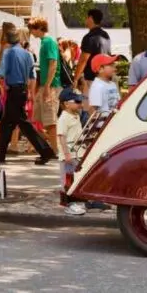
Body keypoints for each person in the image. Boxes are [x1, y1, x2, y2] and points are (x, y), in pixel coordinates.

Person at [0, 24, 56, 164]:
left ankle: (45, 151)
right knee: (7, 123)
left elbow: (1, 71)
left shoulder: (9, 53)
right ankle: (0, 153)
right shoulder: (27, 54)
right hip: (22, 91)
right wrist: (30, 92)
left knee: (24, 124)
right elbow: (32, 76)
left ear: (7, 41)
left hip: (14, 91)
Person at [29, 16, 62, 153]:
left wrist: (47, 86)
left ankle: (56, 150)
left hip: (51, 86)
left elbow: (53, 65)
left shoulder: (48, 42)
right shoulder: (45, 42)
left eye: (32, 29)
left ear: (39, 28)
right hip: (45, 86)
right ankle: (52, 147)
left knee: (50, 121)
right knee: (37, 119)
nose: (31, 32)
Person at [57, 88, 87, 216]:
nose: (79, 104)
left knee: (76, 178)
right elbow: (61, 136)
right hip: (68, 154)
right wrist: (66, 153)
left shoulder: (75, 115)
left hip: (77, 153)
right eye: (76, 101)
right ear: (66, 104)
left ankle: (79, 201)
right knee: (68, 180)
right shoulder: (64, 118)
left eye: (80, 101)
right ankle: (69, 205)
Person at [74, 9, 111, 93]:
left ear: (90, 18)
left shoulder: (89, 37)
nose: (85, 20)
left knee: (89, 105)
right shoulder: (105, 35)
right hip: (104, 78)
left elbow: (83, 60)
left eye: (86, 18)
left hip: (92, 80)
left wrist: (76, 79)